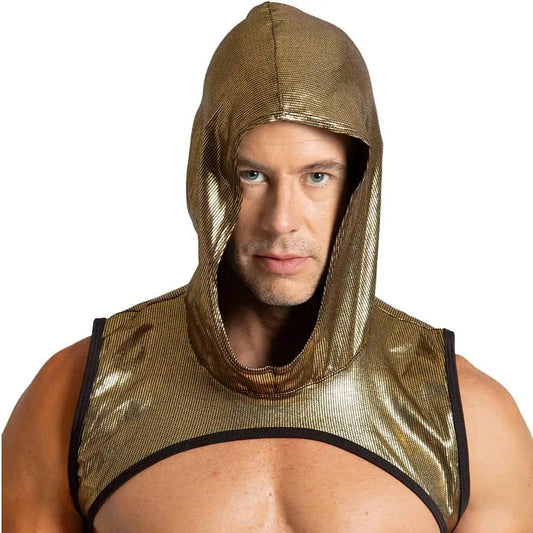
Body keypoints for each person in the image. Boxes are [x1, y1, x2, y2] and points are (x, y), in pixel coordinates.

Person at [3, 2, 532, 532]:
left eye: (317, 177)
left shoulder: (466, 420)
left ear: (358, 185)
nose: (281, 221)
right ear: (207, 176)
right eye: (251, 175)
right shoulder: (76, 398)